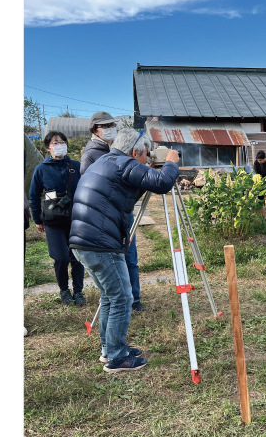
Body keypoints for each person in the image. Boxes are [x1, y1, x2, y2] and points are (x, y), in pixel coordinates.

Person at [70, 128, 180, 372]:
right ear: (134, 151)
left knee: (110, 297)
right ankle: (118, 358)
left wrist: (148, 169)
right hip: (100, 244)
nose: (147, 157)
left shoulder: (106, 162)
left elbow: (129, 190)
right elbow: (162, 183)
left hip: (84, 241)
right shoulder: (124, 163)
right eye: (145, 153)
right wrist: (170, 163)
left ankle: (108, 350)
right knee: (122, 297)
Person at [80, 112, 144, 312]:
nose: (109, 128)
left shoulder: (118, 150)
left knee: (130, 258)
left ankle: (134, 298)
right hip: (105, 218)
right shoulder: (90, 154)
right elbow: (88, 189)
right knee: (114, 261)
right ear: (94, 130)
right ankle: (118, 300)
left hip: (121, 212)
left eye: (111, 124)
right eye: (104, 126)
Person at [28, 131, 87, 306]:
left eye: (62, 142)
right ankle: (64, 290)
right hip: (53, 221)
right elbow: (34, 196)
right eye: (55, 143)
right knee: (61, 258)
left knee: (77, 257)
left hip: (76, 220)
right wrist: (37, 219)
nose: (59, 145)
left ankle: (78, 291)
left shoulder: (76, 166)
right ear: (48, 147)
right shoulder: (41, 169)